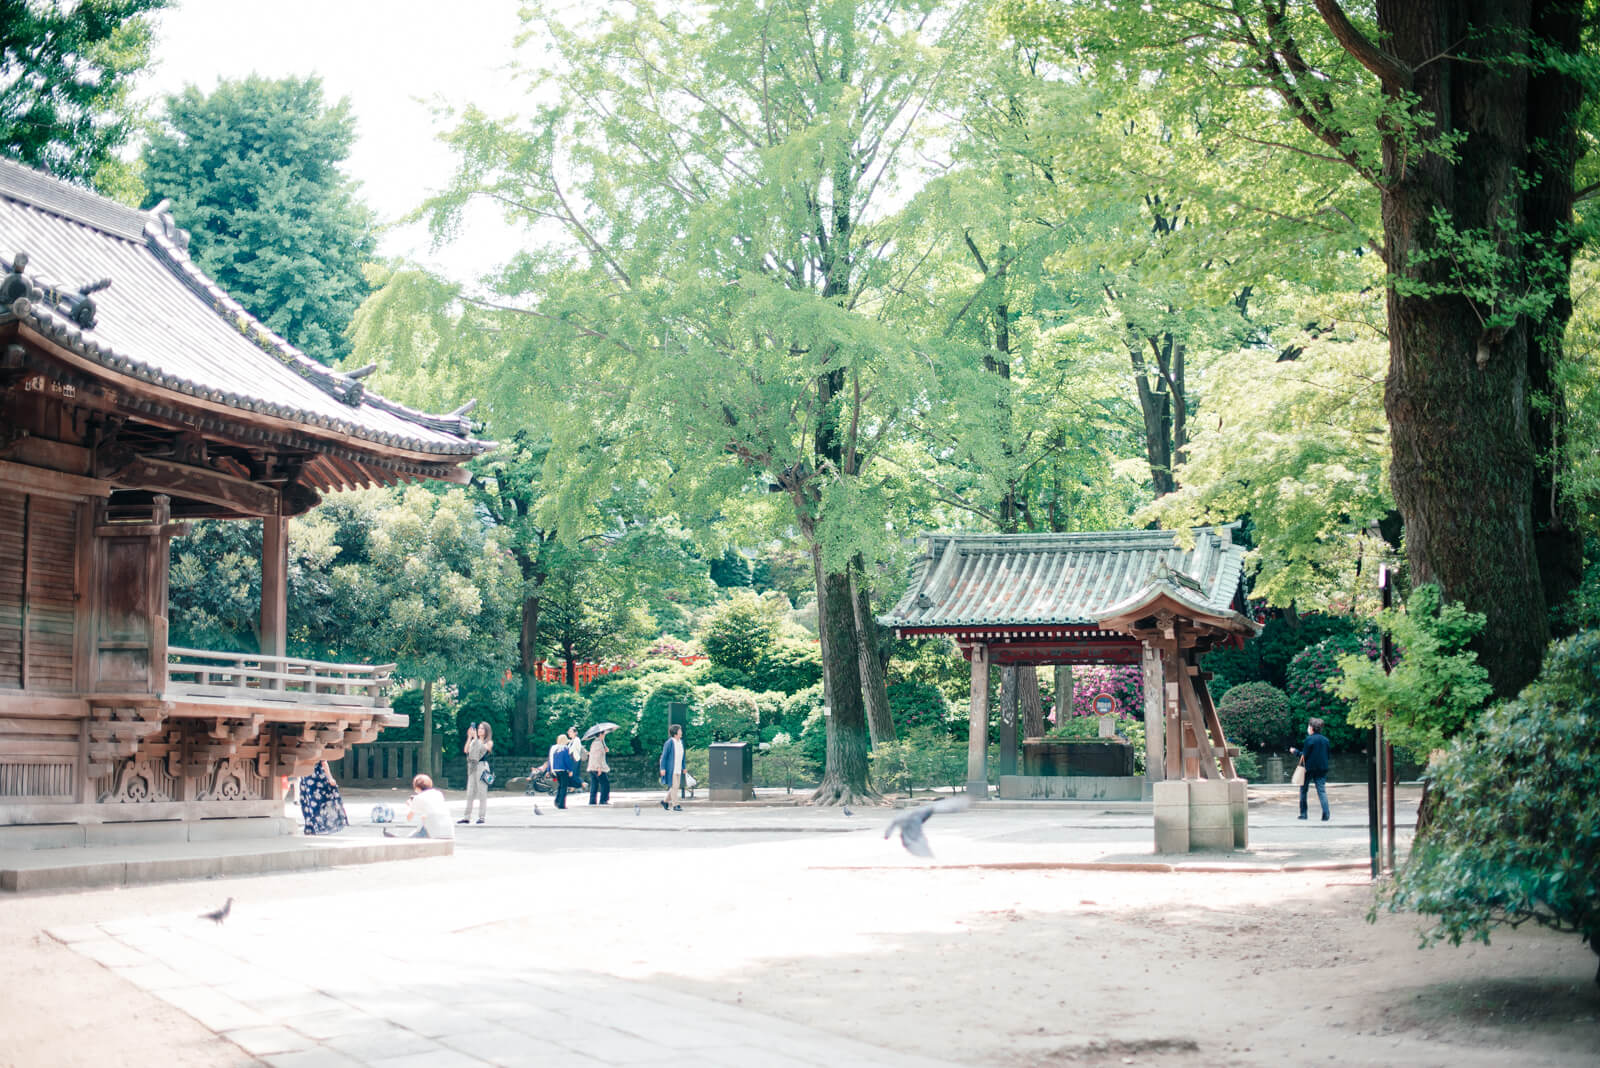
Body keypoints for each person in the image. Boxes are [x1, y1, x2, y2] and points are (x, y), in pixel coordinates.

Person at [384, 774, 454, 838]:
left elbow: (409, 818)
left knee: (410, 841)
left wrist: (410, 805)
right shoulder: (438, 794)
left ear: (417, 788)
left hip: (433, 833)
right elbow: (429, 813)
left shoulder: (418, 798)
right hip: (449, 831)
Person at [1293, 717, 1332, 821]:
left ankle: (1303, 814)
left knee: (1303, 791)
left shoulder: (1309, 740)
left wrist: (1295, 752)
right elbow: (1328, 755)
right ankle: (1326, 813)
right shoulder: (1326, 740)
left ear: (1311, 728)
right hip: (1322, 768)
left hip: (1308, 769)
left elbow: (1304, 755)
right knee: (1321, 791)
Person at [299, 759, 348, 835]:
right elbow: (324, 763)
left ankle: (311, 826)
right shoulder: (317, 751)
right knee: (320, 802)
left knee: (308, 802)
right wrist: (330, 778)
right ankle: (320, 826)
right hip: (317, 778)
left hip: (305, 778)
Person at [460, 722, 493, 825]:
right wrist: (470, 737)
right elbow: (466, 750)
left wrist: (475, 739)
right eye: (479, 728)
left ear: (486, 731)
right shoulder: (474, 741)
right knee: (470, 792)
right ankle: (466, 817)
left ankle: (482, 817)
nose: (479, 730)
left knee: (482, 792)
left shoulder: (488, 742)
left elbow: (484, 749)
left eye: (482, 729)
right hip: (472, 767)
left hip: (482, 767)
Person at [659, 722, 684, 811]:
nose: (681, 731)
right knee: (674, 786)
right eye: (680, 730)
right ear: (675, 732)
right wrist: (662, 768)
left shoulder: (681, 742)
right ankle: (675, 805)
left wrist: (683, 767)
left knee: (675, 786)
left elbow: (682, 756)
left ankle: (665, 801)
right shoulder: (669, 742)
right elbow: (664, 756)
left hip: (678, 768)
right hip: (671, 769)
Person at [550, 731, 577, 809]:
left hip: (555, 770)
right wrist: (570, 770)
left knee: (560, 786)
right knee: (564, 787)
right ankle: (561, 804)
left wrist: (549, 770)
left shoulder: (553, 748)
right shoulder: (565, 748)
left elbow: (550, 759)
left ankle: (557, 801)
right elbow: (567, 760)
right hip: (563, 770)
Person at [587, 727, 611, 806]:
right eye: (603, 734)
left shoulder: (596, 742)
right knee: (605, 783)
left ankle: (592, 801)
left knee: (594, 784)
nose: (604, 735)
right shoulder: (598, 743)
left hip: (592, 767)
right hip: (597, 767)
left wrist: (605, 749)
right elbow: (597, 756)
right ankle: (603, 800)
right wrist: (599, 768)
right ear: (600, 734)